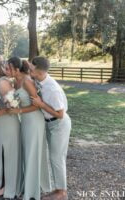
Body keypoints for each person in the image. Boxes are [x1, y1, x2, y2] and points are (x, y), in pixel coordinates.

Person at [7, 56, 50, 200]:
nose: (6, 71)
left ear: (16, 69)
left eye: (8, 68)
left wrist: (18, 111)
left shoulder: (27, 81)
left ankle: (31, 191)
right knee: (27, 153)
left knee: (32, 153)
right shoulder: (15, 81)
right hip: (25, 120)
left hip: (34, 120)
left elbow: (37, 104)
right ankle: (28, 184)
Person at [30, 56, 71, 200]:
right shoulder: (40, 78)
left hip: (59, 124)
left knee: (56, 158)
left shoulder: (52, 89)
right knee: (53, 157)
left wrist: (41, 105)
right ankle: (58, 189)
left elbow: (60, 114)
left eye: (31, 67)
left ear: (38, 71)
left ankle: (62, 192)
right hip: (49, 122)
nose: (29, 68)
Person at [0, 54, 22, 198]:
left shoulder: (3, 83)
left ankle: (8, 186)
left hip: (8, 123)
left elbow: (13, 105)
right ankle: (0, 182)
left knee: (7, 154)